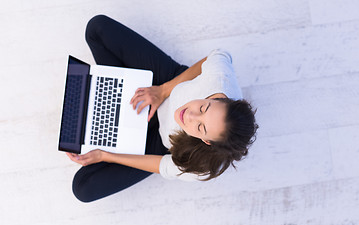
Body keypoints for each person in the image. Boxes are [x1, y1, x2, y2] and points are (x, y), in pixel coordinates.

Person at [66, 15, 258, 202]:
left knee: (83, 187)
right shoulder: (221, 80)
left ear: (207, 141)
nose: (189, 115)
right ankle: (116, 99)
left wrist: (106, 155)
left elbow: (162, 164)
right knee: (97, 28)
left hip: (159, 141)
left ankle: (114, 110)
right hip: (167, 85)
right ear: (219, 98)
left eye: (200, 128)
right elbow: (215, 57)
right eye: (203, 107)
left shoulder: (203, 166)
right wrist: (162, 91)